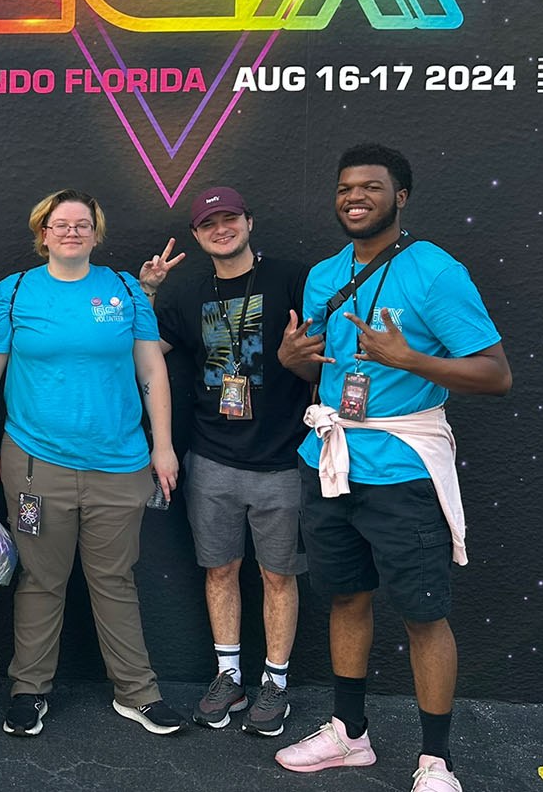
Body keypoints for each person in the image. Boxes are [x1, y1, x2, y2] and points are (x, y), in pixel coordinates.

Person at [274, 144, 511, 792]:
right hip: (331, 461)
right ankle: (349, 735)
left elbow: (496, 373)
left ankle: (437, 761)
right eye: (346, 186)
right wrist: (292, 357)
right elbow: (317, 371)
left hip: (403, 467)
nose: (355, 197)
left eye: (371, 187)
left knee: (422, 612)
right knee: (347, 596)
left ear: (400, 196)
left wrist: (411, 360)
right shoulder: (325, 275)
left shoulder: (435, 272)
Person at [0, 189, 184, 738]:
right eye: (60, 224)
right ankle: (28, 690)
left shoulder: (124, 290)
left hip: (121, 464)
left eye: (82, 224)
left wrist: (163, 445)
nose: (71, 232)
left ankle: (137, 693)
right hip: (36, 465)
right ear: (42, 233)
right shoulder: (14, 292)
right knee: (41, 579)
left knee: (115, 579)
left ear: (96, 233)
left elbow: (152, 372)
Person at [138, 186, 313, 737]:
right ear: (196, 235)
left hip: (283, 458)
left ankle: (276, 682)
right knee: (220, 571)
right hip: (211, 458)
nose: (221, 228)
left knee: (278, 576)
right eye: (208, 223)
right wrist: (146, 291)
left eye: (230, 217)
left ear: (249, 221)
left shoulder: (294, 279)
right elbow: (141, 354)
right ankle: (229, 676)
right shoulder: (188, 295)